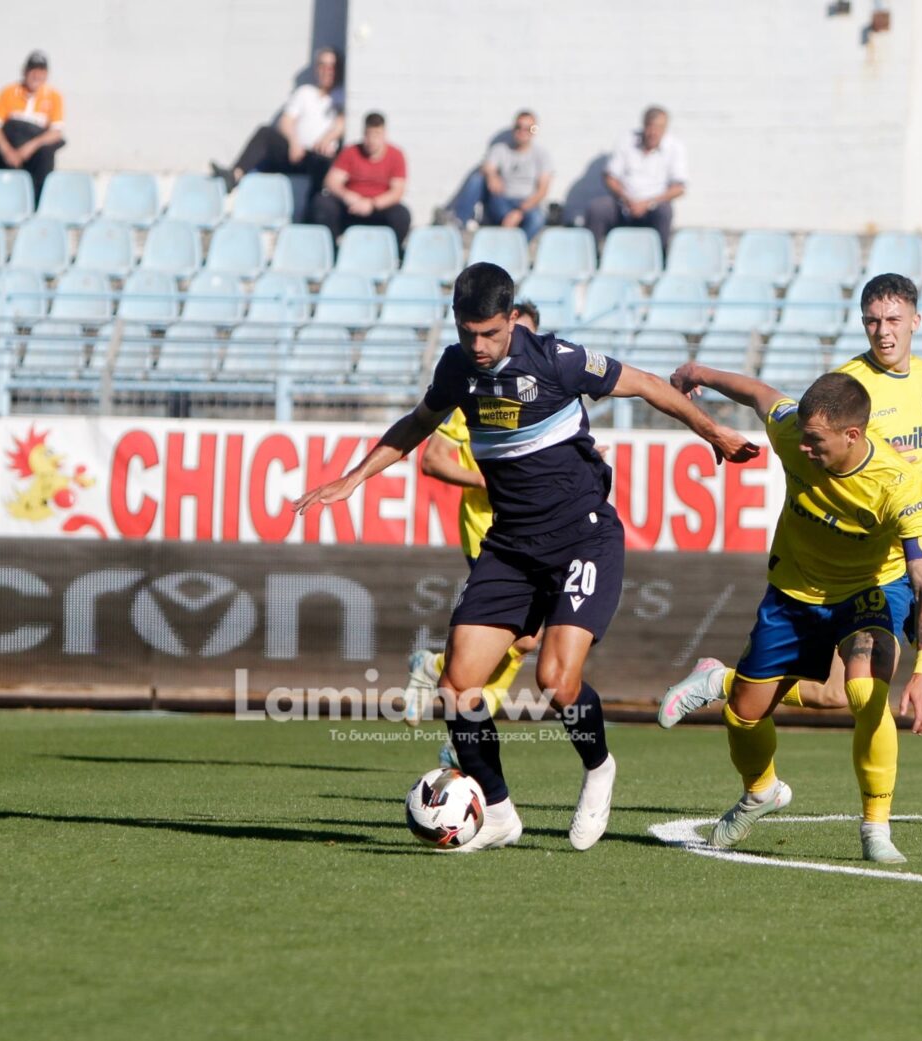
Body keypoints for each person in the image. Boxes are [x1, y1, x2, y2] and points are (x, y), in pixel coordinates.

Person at [295, 263, 755, 853]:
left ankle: (599, 768)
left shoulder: (556, 359)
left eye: (490, 333)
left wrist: (714, 432)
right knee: (457, 685)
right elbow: (417, 424)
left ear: (511, 320)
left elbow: (644, 383)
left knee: (555, 681)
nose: (478, 346)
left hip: (583, 537)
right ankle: (499, 814)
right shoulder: (456, 368)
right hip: (511, 546)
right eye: (468, 333)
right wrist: (354, 477)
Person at [659, 273, 922, 830]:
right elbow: (776, 407)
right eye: (873, 321)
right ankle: (723, 682)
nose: (883, 332)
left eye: (893, 320)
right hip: (870, 563)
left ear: (916, 322)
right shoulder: (849, 387)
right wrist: (701, 374)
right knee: (841, 694)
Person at [663, 362, 922, 863]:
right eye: (804, 436)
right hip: (794, 591)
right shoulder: (793, 429)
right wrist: (696, 372)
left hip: (868, 589)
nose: (806, 448)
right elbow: (758, 393)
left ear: (853, 435)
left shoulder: (898, 483)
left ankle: (876, 827)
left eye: (817, 441)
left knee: (864, 692)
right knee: (742, 715)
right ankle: (760, 791)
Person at [404, 302, 543, 760]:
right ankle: (464, 738)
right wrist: (488, 479)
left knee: (524, 641)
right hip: (490, 531)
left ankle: (437, 674)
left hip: (535, 531)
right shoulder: (477, 397)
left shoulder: (544, 393)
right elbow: (432, 460)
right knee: (521, 636)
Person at [211, 47, 344, 196]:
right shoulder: (305, 92)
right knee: (265, 133)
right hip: (296, 153)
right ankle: (234, 176)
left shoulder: (342, 95)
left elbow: (342, 122)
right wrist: (294, 142)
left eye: (331, 66)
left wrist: (327, 139)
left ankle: (315, 205)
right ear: (316, 69)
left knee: (324, 162)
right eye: (322, 65)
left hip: (320, 158)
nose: (327, 71)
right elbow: (286, 121)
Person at [585, 106, 687, 258]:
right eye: (650, 127)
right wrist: (627, 199)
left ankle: (661, 259)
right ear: (644, 125)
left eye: (659, 128)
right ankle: (590, 258)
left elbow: (679, 188)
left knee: (665, 211)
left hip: (653, 207)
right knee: (597, 208)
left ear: (665, 129)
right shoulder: (626, 141)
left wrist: (648, 203)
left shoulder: (675, 147)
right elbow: (610, 177)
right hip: (623, 204)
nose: (654, 132)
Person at [0, 50, 65, 205]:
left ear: (46, 74)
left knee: (46, 155)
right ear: (24, 71)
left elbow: (56, 132)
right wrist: (7, 150)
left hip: (33, 148)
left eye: (41, 71)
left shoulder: (54, 96)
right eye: (32, 70)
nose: (36, 75)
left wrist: (28, 148)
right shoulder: (9, 92)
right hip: (8, 143)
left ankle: (37, 205)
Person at [310, 112, 412, 248]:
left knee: (401, 215)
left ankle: (391, 252)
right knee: (322, 204)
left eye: (376, 135)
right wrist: (348, 196)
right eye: (368, 134)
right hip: (351, 207)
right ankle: (331, 250)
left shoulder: (396, 155)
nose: (372, 140)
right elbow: (331, 181)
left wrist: (372, 204)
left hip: (378, 208)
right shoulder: (351, 152)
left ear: (384, 135)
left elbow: (397, 191)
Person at [446, 112, 554, 240]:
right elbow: (487, 166)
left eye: (529, 128)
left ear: (534, 131)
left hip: (526, 205)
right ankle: (459, 221)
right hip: (501, 201)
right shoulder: (501, 149)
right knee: (477, 178)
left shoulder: (541, 155)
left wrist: (519, 211)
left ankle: (514, 245)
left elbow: (542, 191)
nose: (522, 132)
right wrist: (492, 176)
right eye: (518, 127)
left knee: (537, 219)